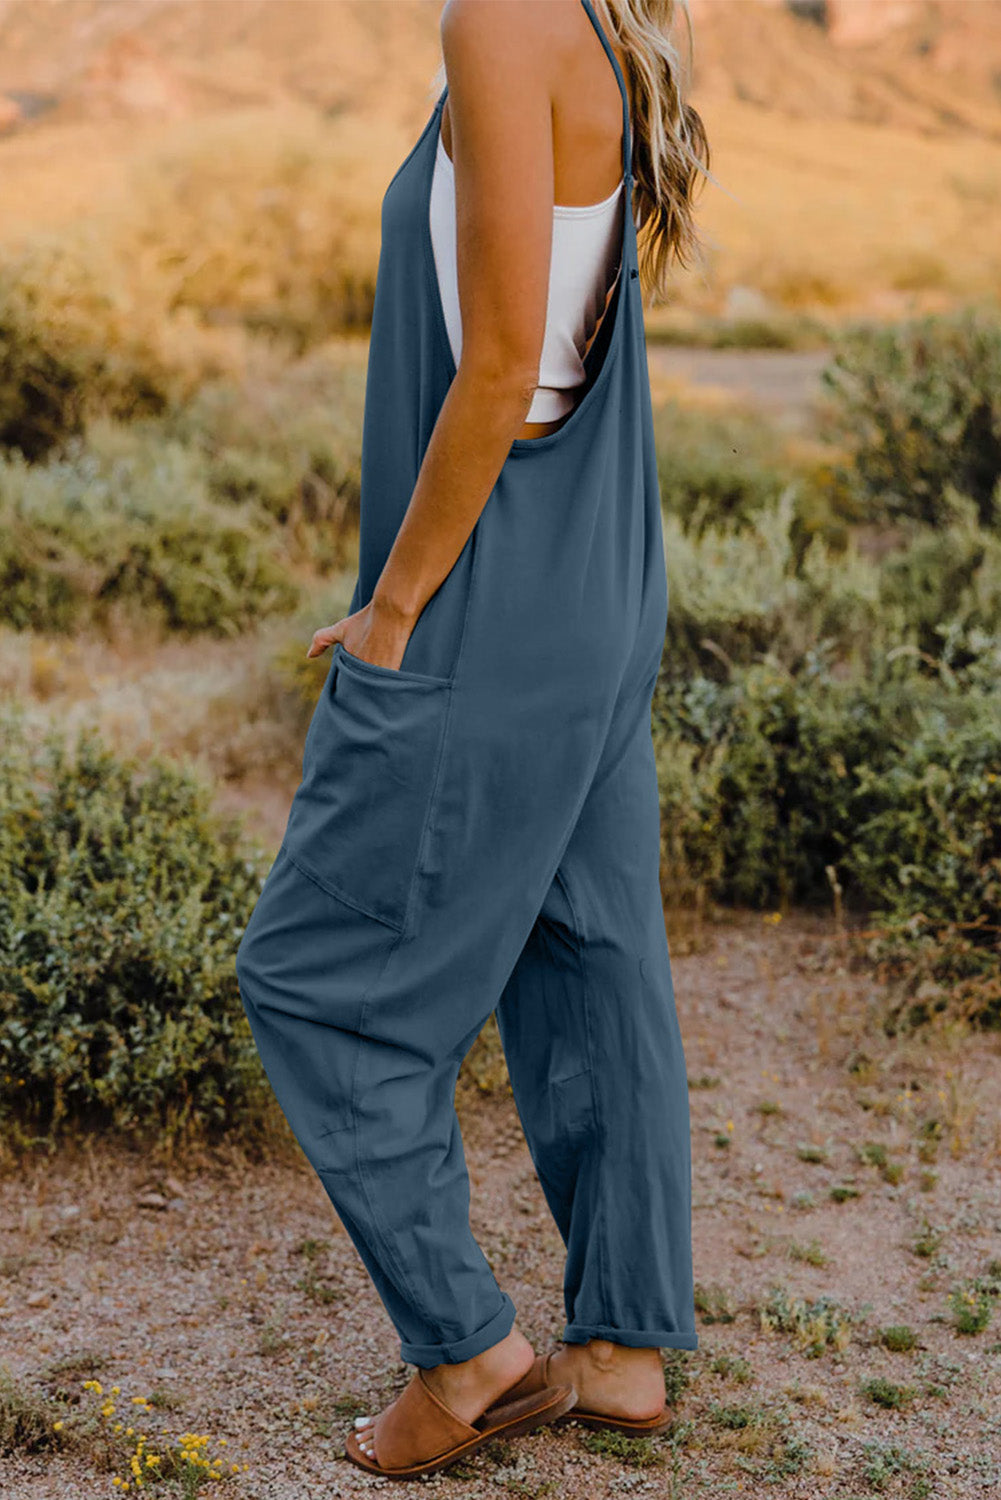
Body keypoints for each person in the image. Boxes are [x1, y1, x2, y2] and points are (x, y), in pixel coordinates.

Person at [235, 0, 711, 1481]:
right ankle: (623, 1354)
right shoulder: (587, 20)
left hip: (495, 602)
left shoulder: (500, 17)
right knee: (592, 954)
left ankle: (467, 1356)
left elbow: (503, 359)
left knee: (310, 979)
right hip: (594, 579)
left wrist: (392, 607)